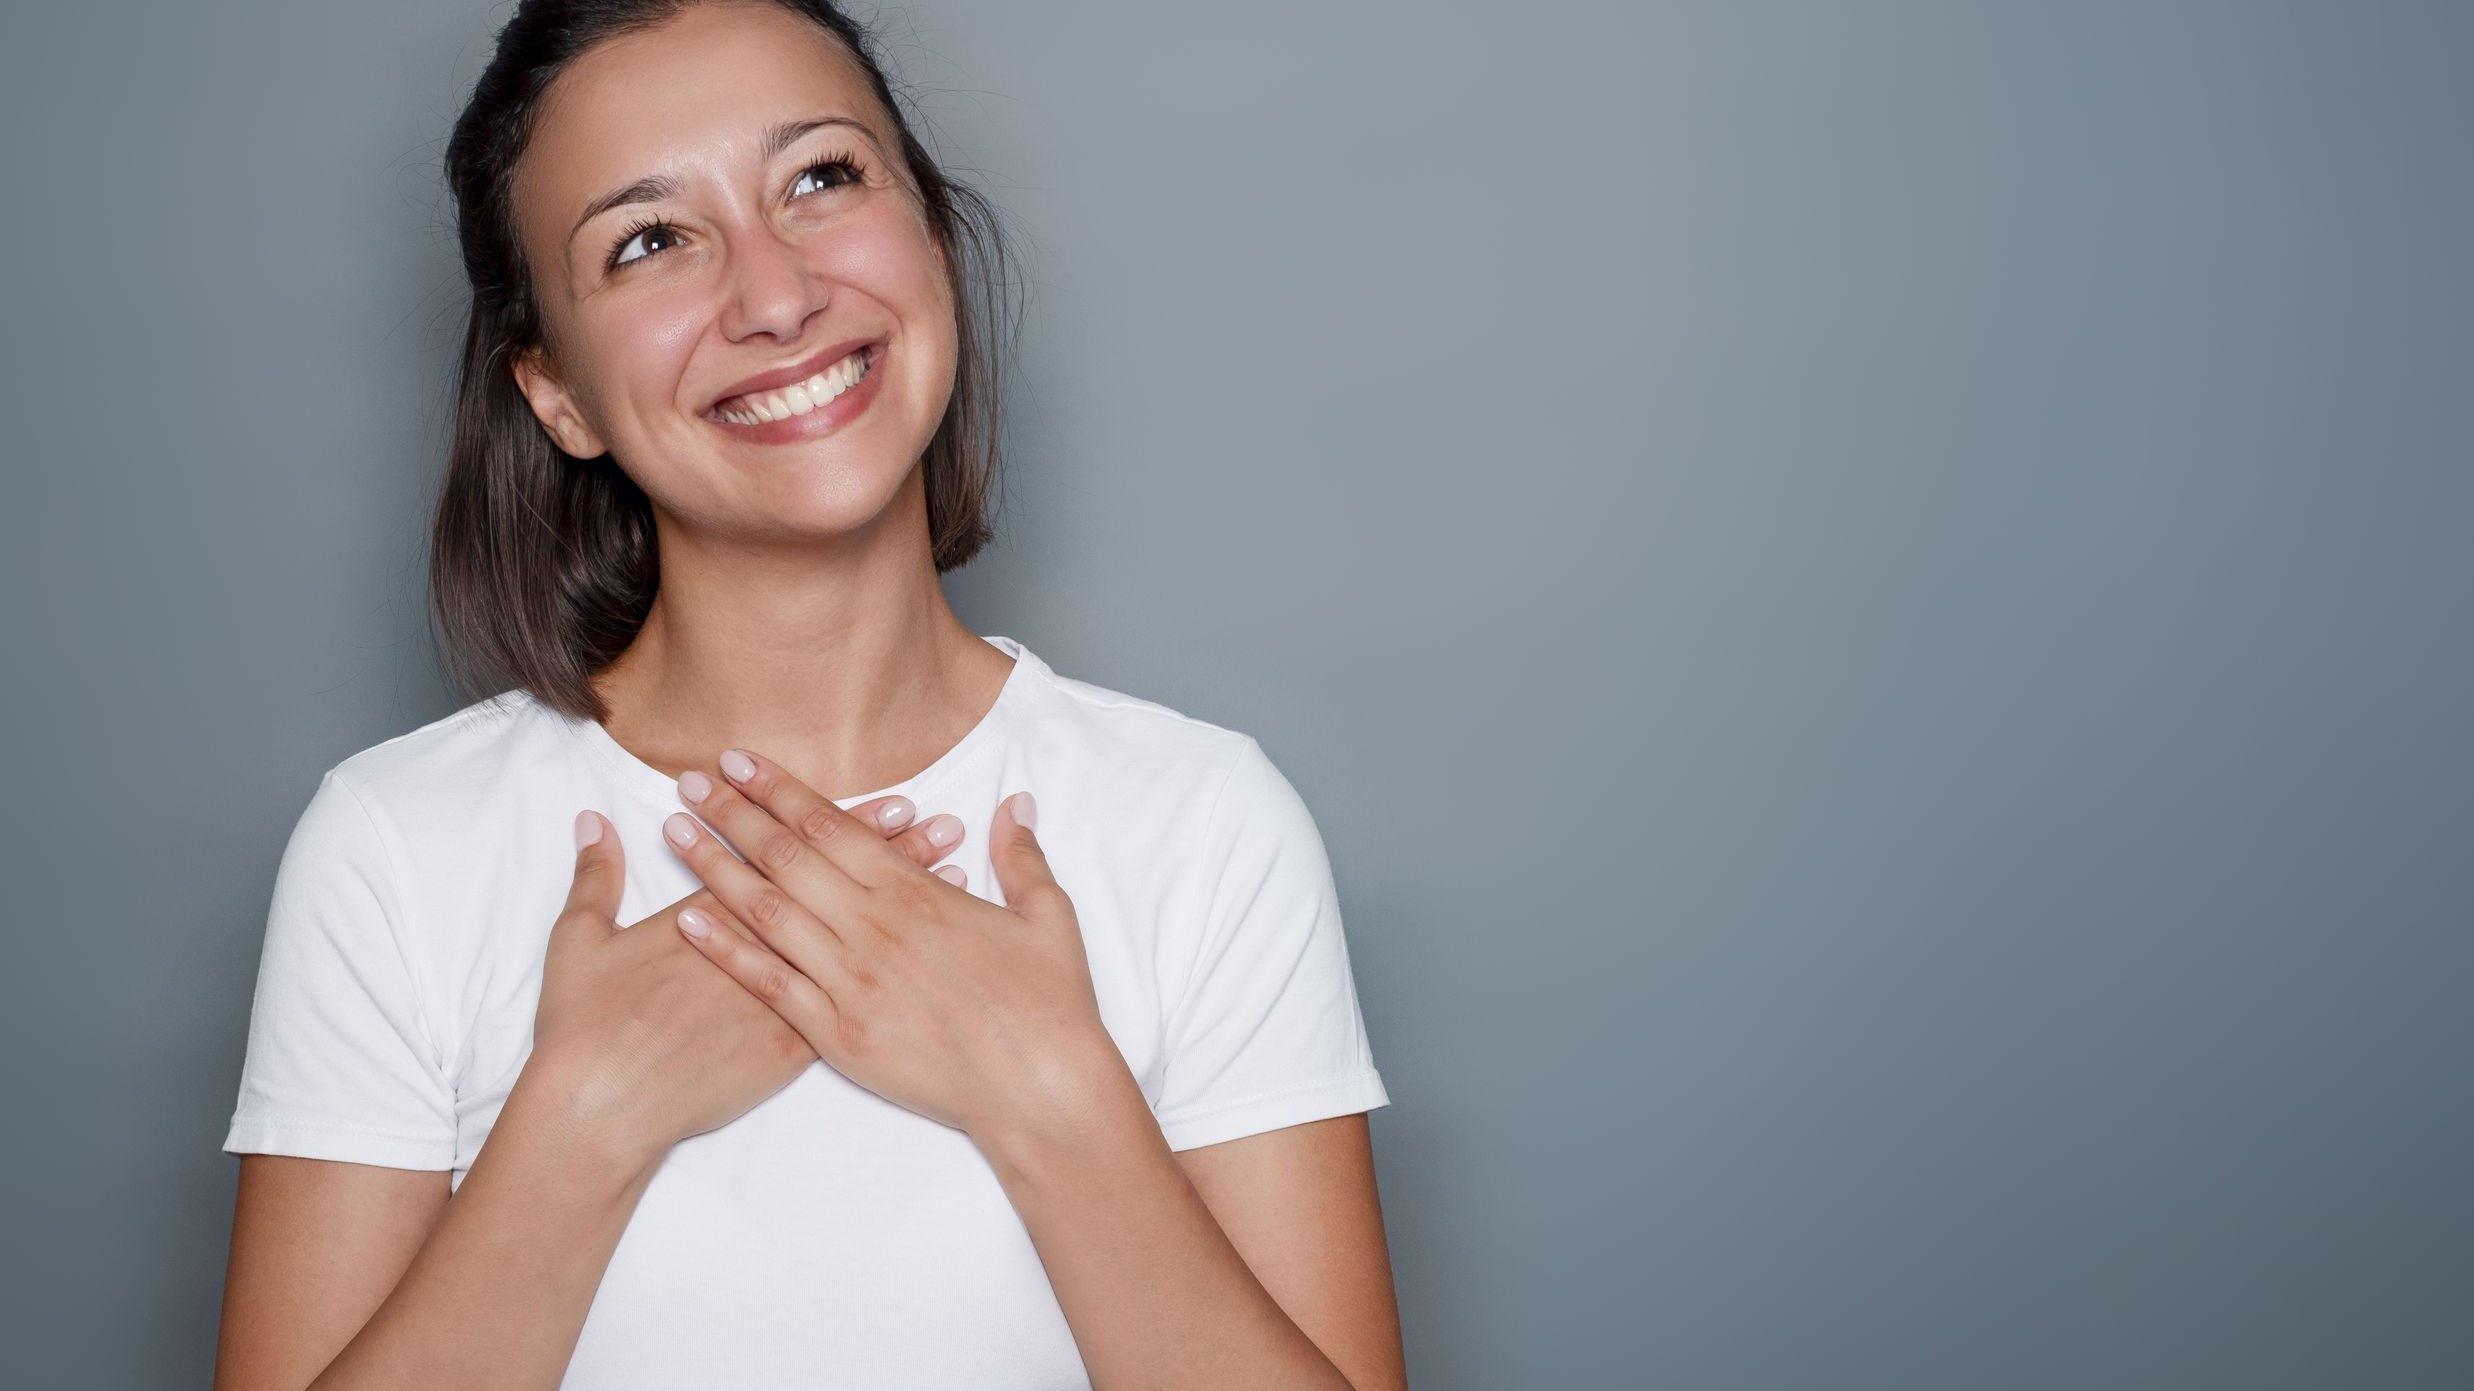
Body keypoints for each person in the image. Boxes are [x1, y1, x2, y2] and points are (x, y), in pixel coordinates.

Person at [209, 2, 1404, 1388]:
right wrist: (579, 1123)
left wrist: (1052, 1094)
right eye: (648, 241)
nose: (774, 296)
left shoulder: (1202, 825)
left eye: (821, 179)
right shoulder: (394, 850)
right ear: (557, 397)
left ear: (932, 240)